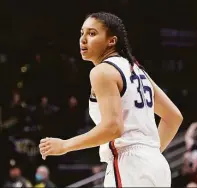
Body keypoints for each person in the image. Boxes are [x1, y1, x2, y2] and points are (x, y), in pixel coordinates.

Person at [39, 12, 183, 187]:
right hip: (156, 165)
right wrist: (148, 153)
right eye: (82, 33)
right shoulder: (137, 70)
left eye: (92, 33)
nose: (83, 39)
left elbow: (113, 127)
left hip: (130, 165)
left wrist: (65, 145)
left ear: (111, 41)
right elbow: (173, 117)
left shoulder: (102, 71)